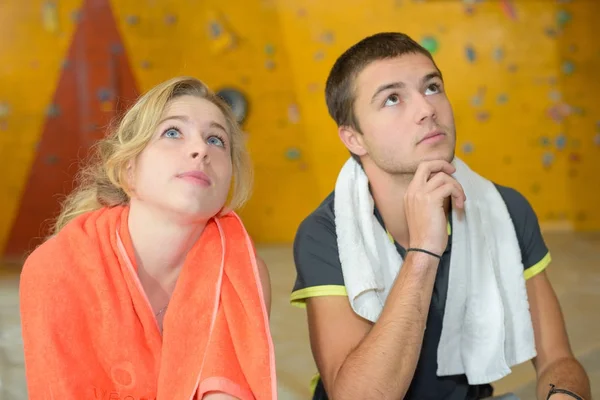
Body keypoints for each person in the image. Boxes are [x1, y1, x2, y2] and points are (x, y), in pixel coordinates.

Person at [290, 32, 591, 400]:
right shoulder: (326, 233)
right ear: (354, 139)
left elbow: (557, 362)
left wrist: (564, 396)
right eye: (393, 98)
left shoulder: (504, 209)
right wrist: (423, 252)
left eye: (432, 87)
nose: (426, 109)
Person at [19, 77, 277, 400]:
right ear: (129, 170)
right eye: (172, 132)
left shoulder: (241, 271)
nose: (200, 149)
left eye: (216, 140)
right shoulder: (55, 270)